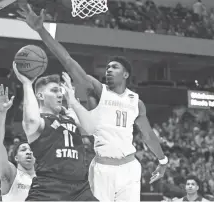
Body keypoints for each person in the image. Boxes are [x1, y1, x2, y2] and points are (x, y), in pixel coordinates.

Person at [17, 3, 168, 201]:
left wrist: (163, 160)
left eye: (114, 67)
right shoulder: (99, 90)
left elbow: (148, 135)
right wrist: (41, 31)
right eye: (107, 67)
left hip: (130, 167)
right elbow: (68, 61)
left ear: (126, 74)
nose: (109, 70)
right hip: (103, 168)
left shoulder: (136, 102)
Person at [12, 63, 97, 201]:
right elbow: (31, 120)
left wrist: (73, 100)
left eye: (60, 91)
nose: (59, 94)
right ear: (40, 95)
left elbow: (91, 129)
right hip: (49, 188)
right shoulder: (39, 122)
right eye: (54, 91)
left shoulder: (70, 118)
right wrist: (27, 84)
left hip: (80, 189)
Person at [0, 84, 35, 202]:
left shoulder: (43, 180)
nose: (28, 152)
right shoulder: (12, 174)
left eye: (31, 150)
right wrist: (2, 113)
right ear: (16, 158)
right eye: (23, 150)